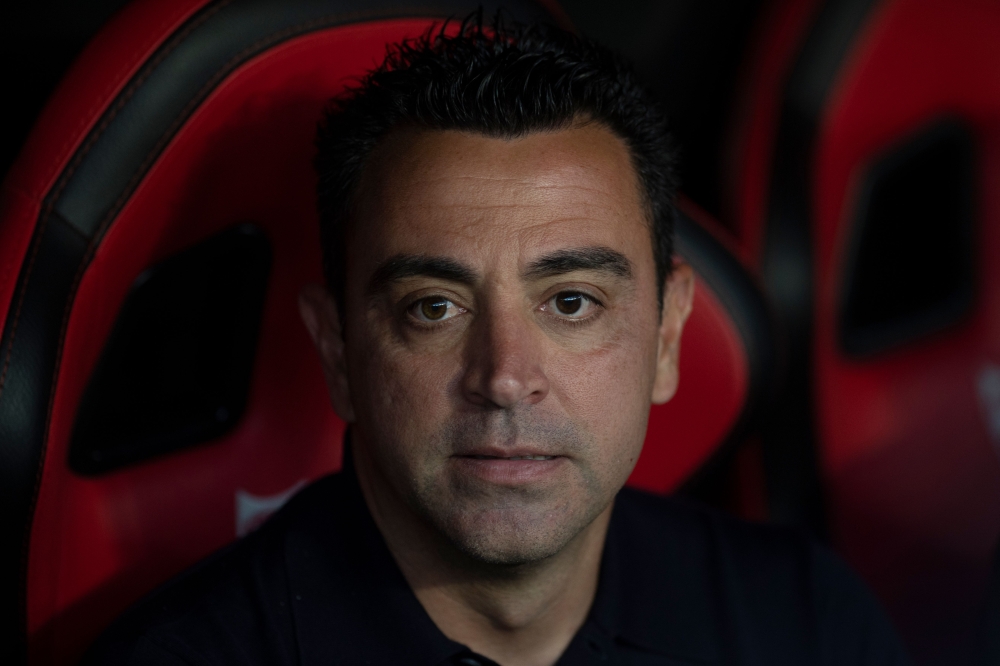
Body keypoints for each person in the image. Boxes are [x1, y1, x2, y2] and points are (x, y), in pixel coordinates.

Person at [84, 14, 911, 666]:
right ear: (337, 349)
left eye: (573, 302)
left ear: (667, 337)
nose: (506, 377)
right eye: (434, 308)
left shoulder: (802, 617)